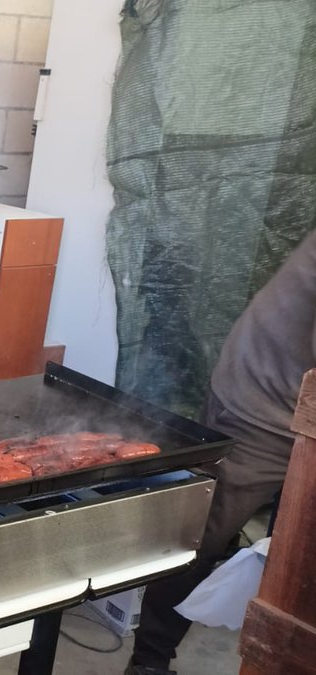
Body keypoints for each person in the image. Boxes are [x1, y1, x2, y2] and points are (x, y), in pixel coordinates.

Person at [126, 229, 316, 674]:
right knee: (202, 536)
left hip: (302, 403)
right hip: (261, 405)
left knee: (298, 552)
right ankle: (148, 663)